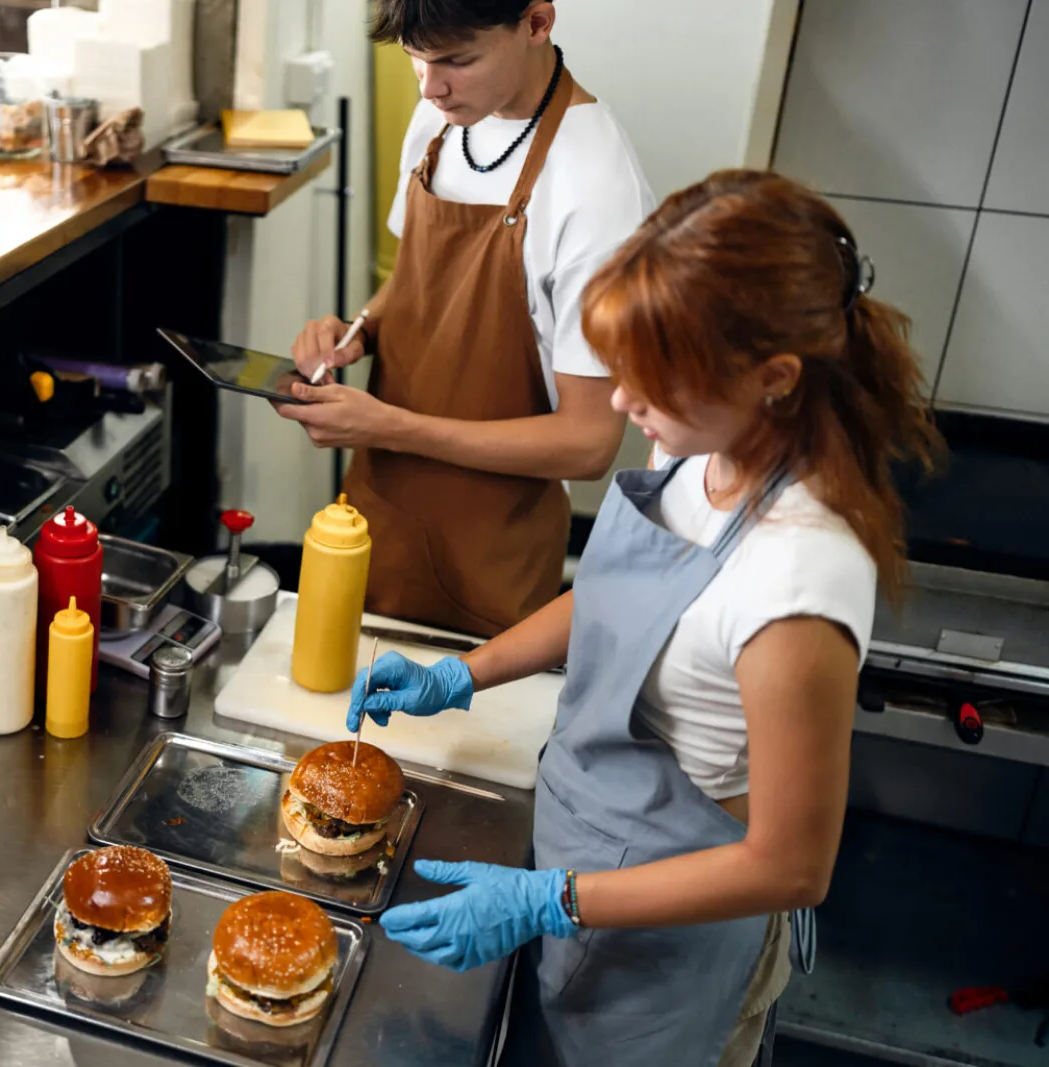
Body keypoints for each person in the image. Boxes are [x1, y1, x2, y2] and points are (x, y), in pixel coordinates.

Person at [347, 171, 942, 1066]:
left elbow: (790, 865)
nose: (624, 405)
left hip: (675, 933)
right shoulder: (705, 444)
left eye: (654, 384)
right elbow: (622, 592)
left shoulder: (797, 581)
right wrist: (463, 672)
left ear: (774, 378)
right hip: (590, 854)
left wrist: (551, 900)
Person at [279, 0, 654, 637]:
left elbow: (589, 443)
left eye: (458, 59)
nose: (432, 87)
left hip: (490, 548)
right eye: (417, 61)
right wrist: (356, 332)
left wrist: (393, 427)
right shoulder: (438, 120)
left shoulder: (597, 188)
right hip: (380, 504)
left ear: (537, 23)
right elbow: (413, 281)